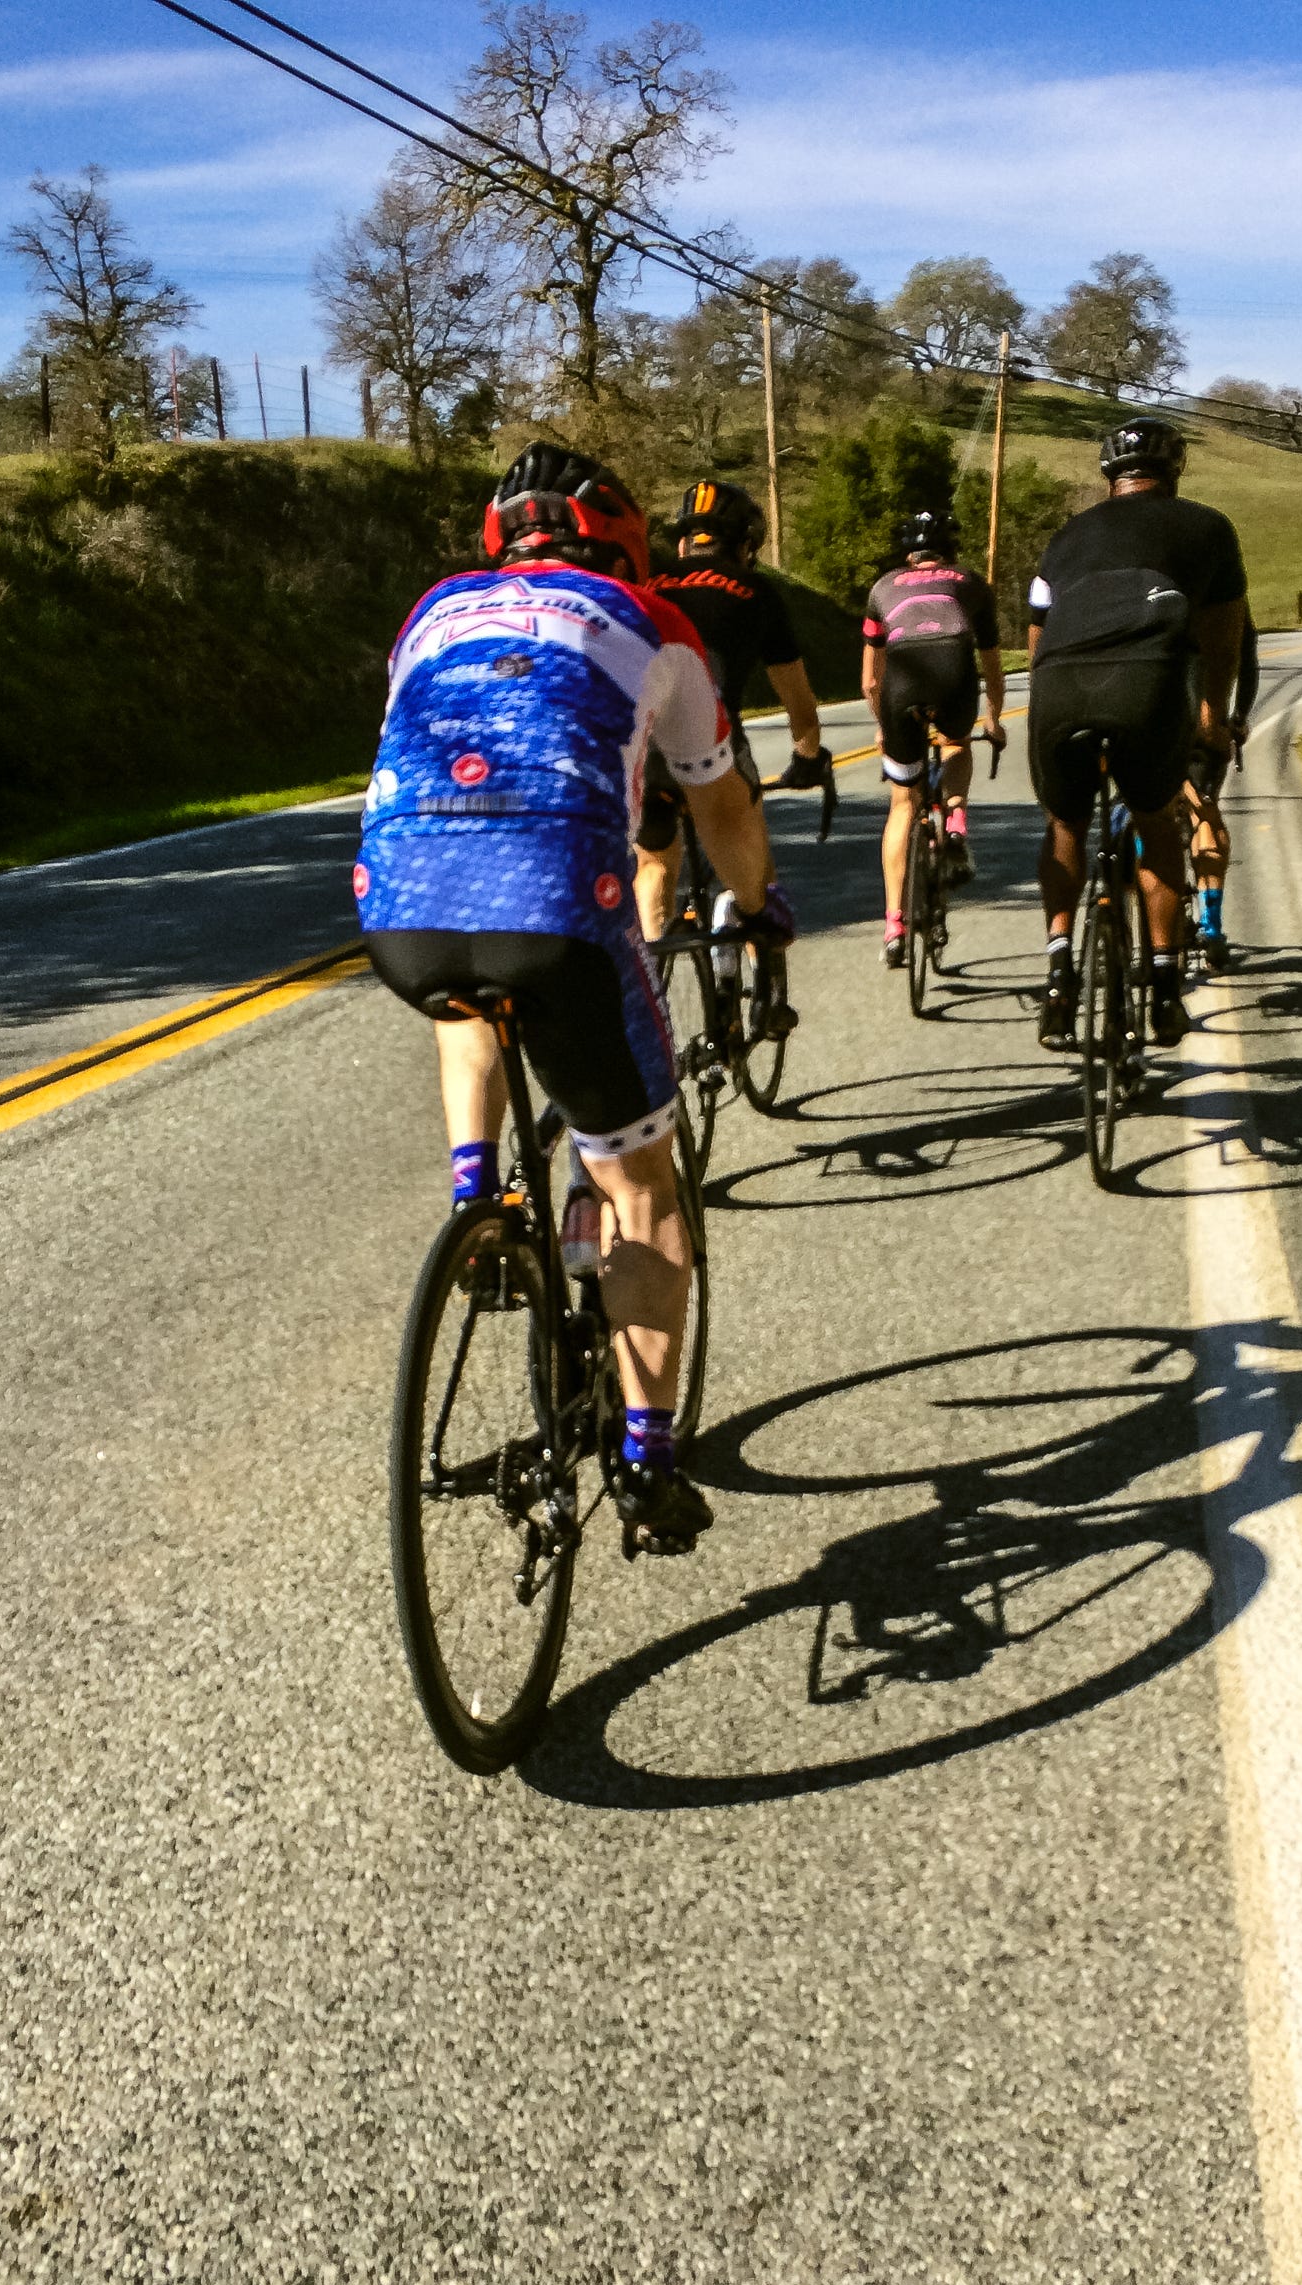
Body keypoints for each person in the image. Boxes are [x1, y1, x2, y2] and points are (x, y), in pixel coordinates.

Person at [353, 442, 790, 1553]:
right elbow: (723, 814)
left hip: (398, 904)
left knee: (469, 995)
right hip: (558, 903)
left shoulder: (432, 612)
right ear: (621, 540)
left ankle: (477, 1200)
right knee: (641, 1187)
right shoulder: (655, 623)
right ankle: (647, 1460)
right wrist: (757, 904)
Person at [1027, 417, 1250, 1048]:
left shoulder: (1066, 535)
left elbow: (1038, 631)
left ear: (1109, 476)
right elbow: (1223, 636)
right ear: (1175, 471)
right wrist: (1212, 716)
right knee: (1155, 821)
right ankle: (1160, 986)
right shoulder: (1207, 527)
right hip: (1147, 687)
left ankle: (1059, 969)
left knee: (1065, 825)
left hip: (1057, 688)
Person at [633, 477, 830, 950]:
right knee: (747, 834)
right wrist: (806, 756)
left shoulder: (645, 590)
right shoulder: (756, 591)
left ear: (684, 540)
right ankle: (759, 949)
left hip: (646, 743)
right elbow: (798, 701)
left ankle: (652, 977)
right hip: (712, 743)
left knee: (653, 864)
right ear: (744, 545)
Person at [861, 507, 1006, 968]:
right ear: (949, 551)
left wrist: (884, 726)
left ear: (908, 554)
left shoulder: (882, 587)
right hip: (954, 672)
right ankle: (957, 821)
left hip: (900, 679)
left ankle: (894, 925)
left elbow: (869, 681)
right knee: (955, 743)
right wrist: (995, 718)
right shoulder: (969, 581)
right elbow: (991, 663)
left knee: (903, 804)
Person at [1179, 609, 1258, 972]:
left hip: (1146, 717)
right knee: (1205, 815)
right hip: (1206, 724)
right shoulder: (1221, 587)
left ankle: (1149, 920)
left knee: (1146, 811)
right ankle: (1212, 930)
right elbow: (1247, 656)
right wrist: (1238, 718)